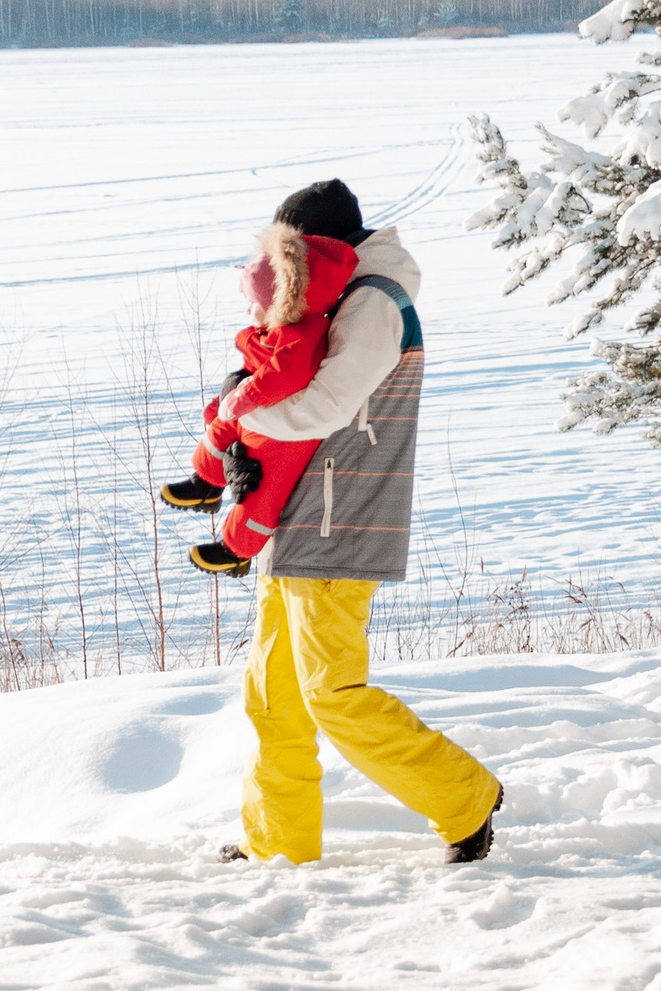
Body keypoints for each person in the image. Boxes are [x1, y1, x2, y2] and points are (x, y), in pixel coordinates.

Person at [192, 179, 504, 868]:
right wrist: (248, 448)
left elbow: (326, 408)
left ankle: (465, 798)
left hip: (342, 519)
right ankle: (279, 845)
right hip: (304, 516)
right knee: (274, 697)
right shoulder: (347, 296)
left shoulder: (374, 303)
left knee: (330, 690)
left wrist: (236, 422)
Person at [159, 222, 362, 574]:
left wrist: (243, 398)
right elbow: (253, 370)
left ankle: (237, 550)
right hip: (260, 414)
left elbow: (286, 375)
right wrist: (224, 403)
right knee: (220, 428)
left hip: (285, 434)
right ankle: (206, 482)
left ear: (275, 303)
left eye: (251, 302)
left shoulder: (303, 334)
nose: (247, 310)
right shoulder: (273, 331)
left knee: (262, 489)